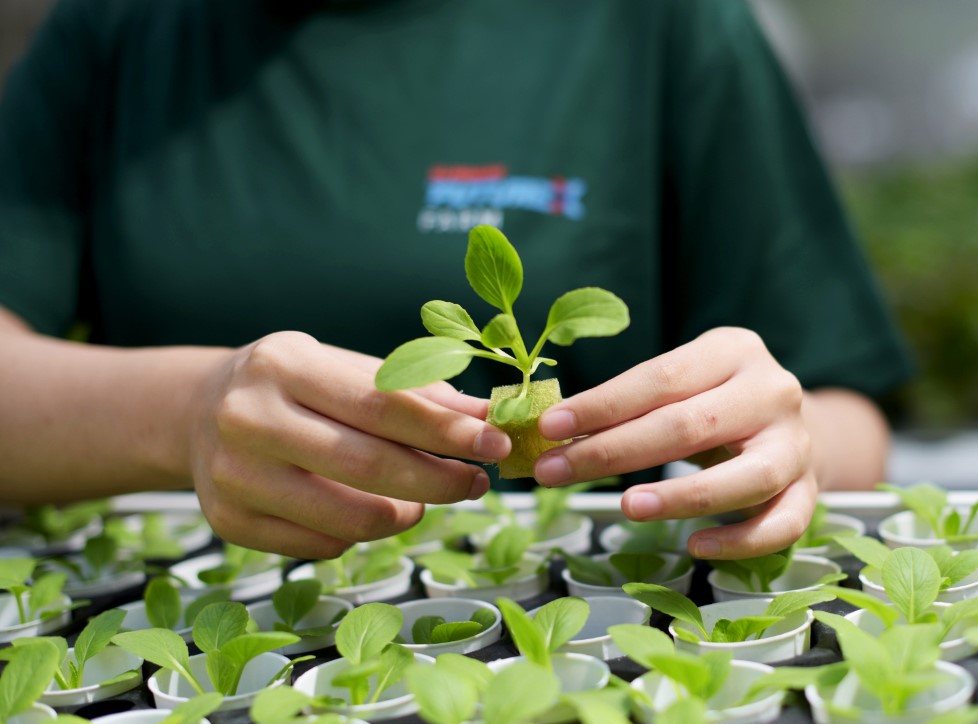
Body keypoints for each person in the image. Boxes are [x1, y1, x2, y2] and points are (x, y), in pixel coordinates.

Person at [0, 0, 912, 561]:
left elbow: (847, 424)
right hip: (186, 624)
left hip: (563, 615)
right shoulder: (116, 24)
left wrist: (762, 443)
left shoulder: (654, 19)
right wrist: (185, 413)